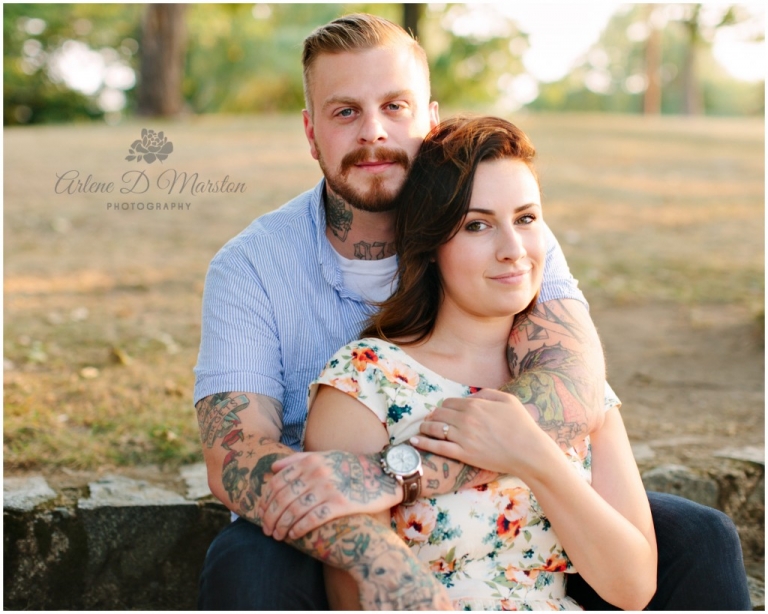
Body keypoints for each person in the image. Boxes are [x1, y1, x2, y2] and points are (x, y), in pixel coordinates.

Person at [194, 12, 752, 611]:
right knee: (247, 563)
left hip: (503, 494)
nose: (374, 133)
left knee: (699, 536)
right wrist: (380, 555)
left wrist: (396, 472)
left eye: (396, 107)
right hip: (327, 517)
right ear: (311, 133)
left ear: (431, 120)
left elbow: (575, 383)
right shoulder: (252, 267)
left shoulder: (512, 239)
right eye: (345, 111)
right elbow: (235, 456)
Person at [304, 115, 658, 610]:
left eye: (526, 219)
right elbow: (356, 599)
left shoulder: (567, 379)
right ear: (430, 245)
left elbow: (633, 587)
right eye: (477, 225)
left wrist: (531, 454)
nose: (513, 250)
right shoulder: (367, 383)